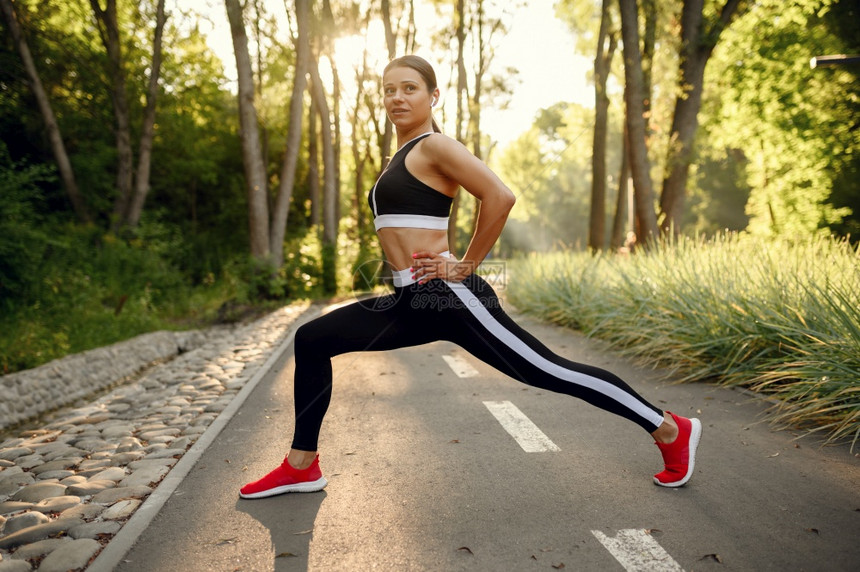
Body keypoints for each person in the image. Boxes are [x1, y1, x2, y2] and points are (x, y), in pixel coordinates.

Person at [239, 55, 701, 499]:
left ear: (433, 96)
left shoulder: (434, 146)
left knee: (547, 370)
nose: (397, 97)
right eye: (389, 90)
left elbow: (499, 197)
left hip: (449, 296)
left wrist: (465, 265)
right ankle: (302, 466)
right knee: (313, 339)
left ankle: (669, 428)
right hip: (408, 301)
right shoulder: (399, 155)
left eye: (409, 88)